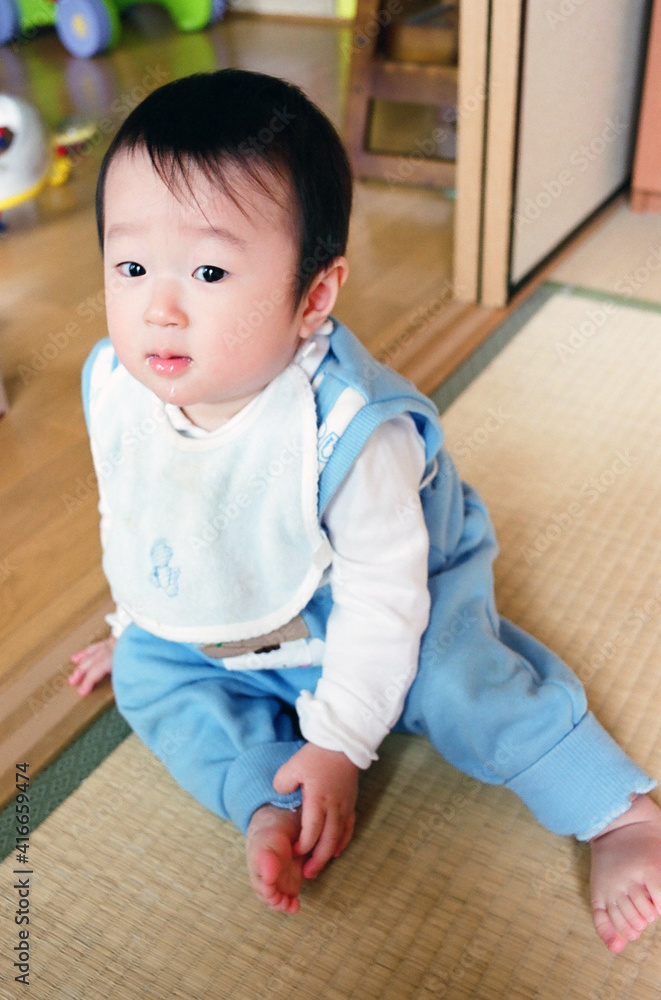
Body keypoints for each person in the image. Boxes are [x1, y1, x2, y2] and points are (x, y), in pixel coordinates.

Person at [69, 69, 661, 953]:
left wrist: (343, 743)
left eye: (208, 270)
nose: (159, 308)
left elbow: (387, 599)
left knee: (460, 684)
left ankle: (614, 813)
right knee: (150, 679)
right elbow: (136, 506)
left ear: (313, 297)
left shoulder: (349, 429)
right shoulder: (119, 386)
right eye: (130, 266)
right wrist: (140, 616)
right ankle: (267, 795)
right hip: (238, 617)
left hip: (382, 604)